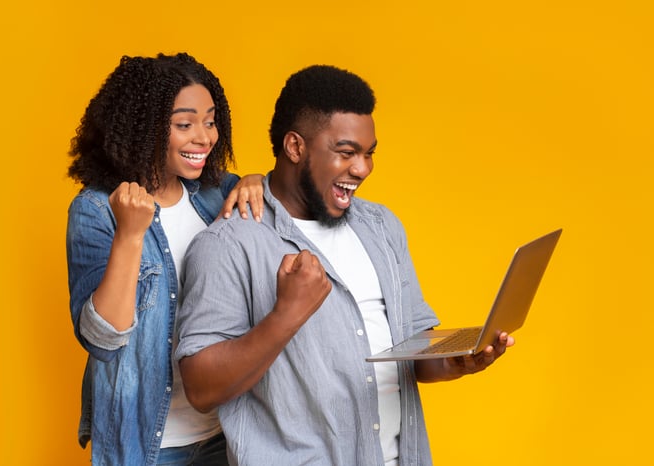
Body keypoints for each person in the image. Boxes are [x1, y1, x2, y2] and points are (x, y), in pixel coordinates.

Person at [174, 65, 515, 466]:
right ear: (295, 147)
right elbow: (200, 387)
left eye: (369, 153)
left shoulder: (382, 226)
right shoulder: (229, 244)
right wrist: (287, 315)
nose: (363, 168)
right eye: (347, 152)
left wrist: (454, 361)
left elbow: (414, 347)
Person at [65, 52, 264, 466]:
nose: (205, 138)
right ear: (143, 129)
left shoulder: (213, 194)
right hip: (147, 445)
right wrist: (130, 235)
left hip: (226, 434)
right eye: (184, 124)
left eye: (210, 122)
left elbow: (266, 195)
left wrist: (254, 180)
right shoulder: (96, 210)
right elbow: (103, 339)